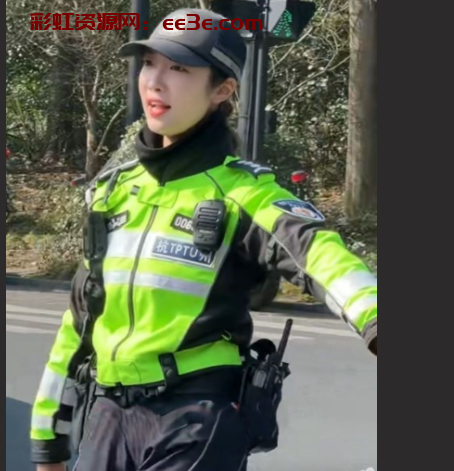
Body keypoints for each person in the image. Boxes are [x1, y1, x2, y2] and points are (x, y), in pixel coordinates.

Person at [31, 8, 377, 471]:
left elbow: (322, 256)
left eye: (179, 68)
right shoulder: (112, 192)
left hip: (195, 418)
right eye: (149, 63)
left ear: (222, 90)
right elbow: (80, 322)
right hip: (109, 416)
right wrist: (48, 438)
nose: (155, 81)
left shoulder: (243, 193)